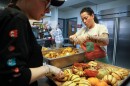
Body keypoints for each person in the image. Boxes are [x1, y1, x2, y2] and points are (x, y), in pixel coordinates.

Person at [0, 0, 65, 86]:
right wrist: (47, 69)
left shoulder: (11, 15)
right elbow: (14, 77)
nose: (48, 10)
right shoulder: (17, 18)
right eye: (46, 3)